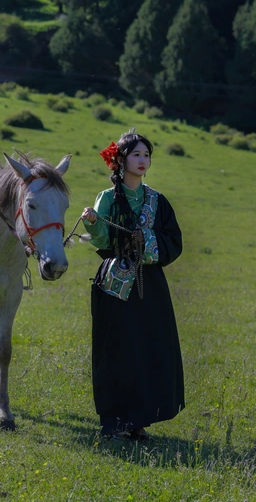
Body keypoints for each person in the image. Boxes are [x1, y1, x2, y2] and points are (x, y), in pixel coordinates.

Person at [80, 127, 184, 441]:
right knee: (116, 351)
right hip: (114, 285)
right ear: (120, 159)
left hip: (150, 286)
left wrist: (146, 239)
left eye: (146, 154)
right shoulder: (107, 198)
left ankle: (139, 421)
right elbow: (101, 240)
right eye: (136, 154)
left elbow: (173, 241)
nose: (142, 160)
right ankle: (114, 423)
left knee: (148, 349)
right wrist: (92, 223)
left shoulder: (157, 201)